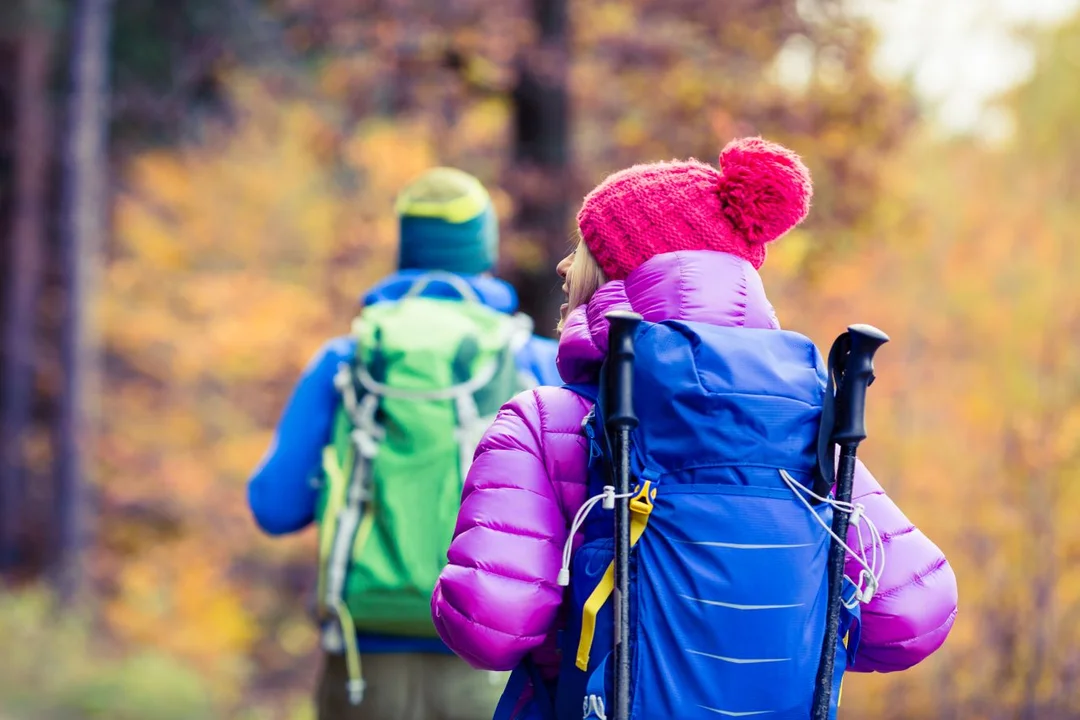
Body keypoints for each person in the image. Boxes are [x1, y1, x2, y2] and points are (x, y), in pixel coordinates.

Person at [431, 138, 959, 718]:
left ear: (621, 271)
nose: (563, 265)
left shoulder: (548, 420)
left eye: (585, 247)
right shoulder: (802, 422)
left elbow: (491, 623)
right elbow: (913, 613)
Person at [248, 166, 560, 720]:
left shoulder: (347, 360)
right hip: (494, 663)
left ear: (404, 249)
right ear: (482, 251)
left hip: (364, 668)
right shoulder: (531, 361)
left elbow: (274, 507)